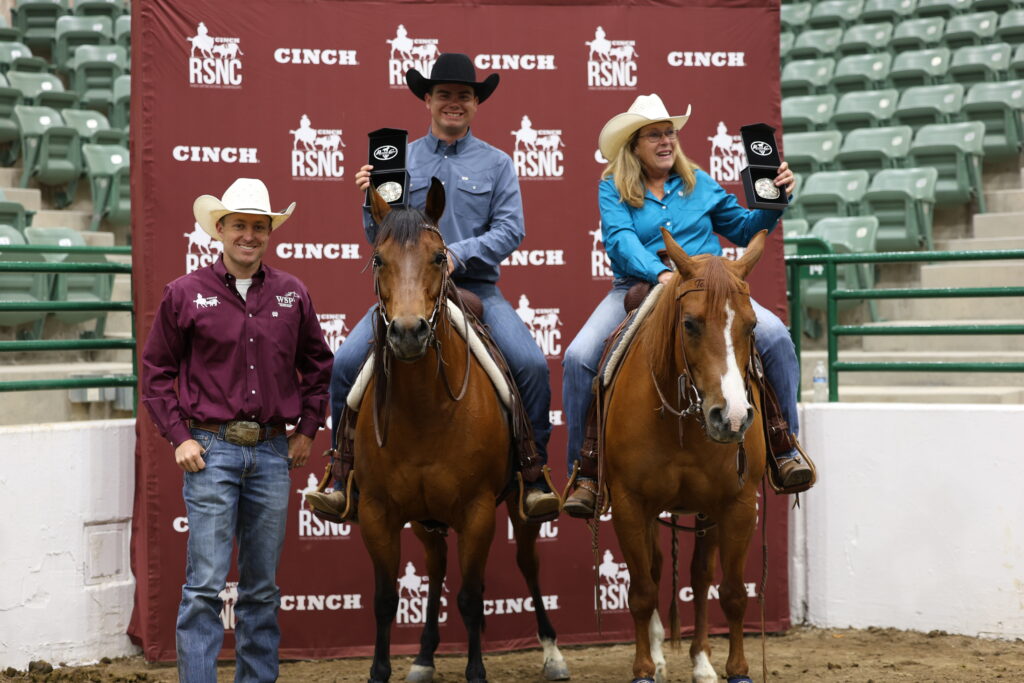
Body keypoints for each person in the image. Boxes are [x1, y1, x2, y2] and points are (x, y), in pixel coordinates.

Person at [303, 53, 560, 519]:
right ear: (427, 100)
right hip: (409, 290)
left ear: (476, 104)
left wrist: (455, 255)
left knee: (530, 364)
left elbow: (510, 229)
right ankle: (342, 475)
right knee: (345, 363)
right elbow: (379, 237)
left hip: (478, 289)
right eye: (444, 94)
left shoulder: (498, 163)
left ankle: (532, 472)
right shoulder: (397, 159)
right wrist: (369, 200)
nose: (453, 103)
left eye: (464, 95)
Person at [562, 94, 813, 517]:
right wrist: (661, 273)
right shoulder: (613, 187)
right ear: (634, 145)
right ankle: (585, 470)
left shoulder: (699, 181)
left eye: (670, 133)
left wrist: (776, 199)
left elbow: (744, 227)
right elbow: (621, 241)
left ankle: (785, 446)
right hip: (639, 285)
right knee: (579, 356)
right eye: (654, 135)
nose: (666, 141)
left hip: (710, 291)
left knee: (775, 337)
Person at [141, 178, 333, 682]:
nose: (249, 235)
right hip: (210, 449)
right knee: (204, 587)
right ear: (220, 229)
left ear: (269, 232)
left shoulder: (293, 294)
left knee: (262, 588)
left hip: (272, 451)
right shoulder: (184, 293)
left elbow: (319, 365)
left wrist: (307, 429)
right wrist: (180, 437)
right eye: (239, 225)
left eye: (259, 227)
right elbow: (156, 372)